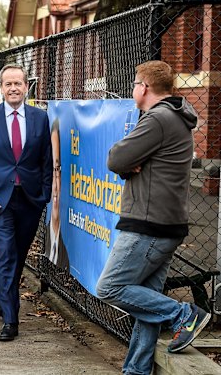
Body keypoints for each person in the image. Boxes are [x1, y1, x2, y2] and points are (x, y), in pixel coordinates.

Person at [96, 60, 207, 374]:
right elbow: (127, 161)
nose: (133, 89)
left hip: (149, 224)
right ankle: (137, 369)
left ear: (143, 86)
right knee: (147, 303)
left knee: (110, 287)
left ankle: (185, 314)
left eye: (134, 83)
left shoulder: (158, 117)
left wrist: (127, 164)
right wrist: (131, 164)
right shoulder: (173, 117)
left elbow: (116, 157)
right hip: (165, 223)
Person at [0, 63, 52, 341]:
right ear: (1, 88)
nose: (13, 88)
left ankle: (4, 299)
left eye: (18, 83)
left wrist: (44, 195)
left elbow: (46, 159)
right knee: (5, 252)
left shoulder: (40, 118)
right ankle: (10, 319)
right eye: (8, 84)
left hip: (30, 199)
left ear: (26, 87)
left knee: (17, 255)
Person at [44, 118, 69, 270]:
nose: (55, 182)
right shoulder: (45, 236)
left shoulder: (68, 255)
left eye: (58, 169)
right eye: (51, 168)